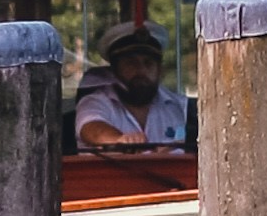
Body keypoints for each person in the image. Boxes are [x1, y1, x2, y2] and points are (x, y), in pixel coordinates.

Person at [73, 14, 189, 153]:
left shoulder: (180, 108)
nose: (141, 70)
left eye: (148, 63)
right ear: (114, 69)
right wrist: (120, 141)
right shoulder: (95, 101)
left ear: (160, 70)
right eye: (131, 63)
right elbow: (92, 129)